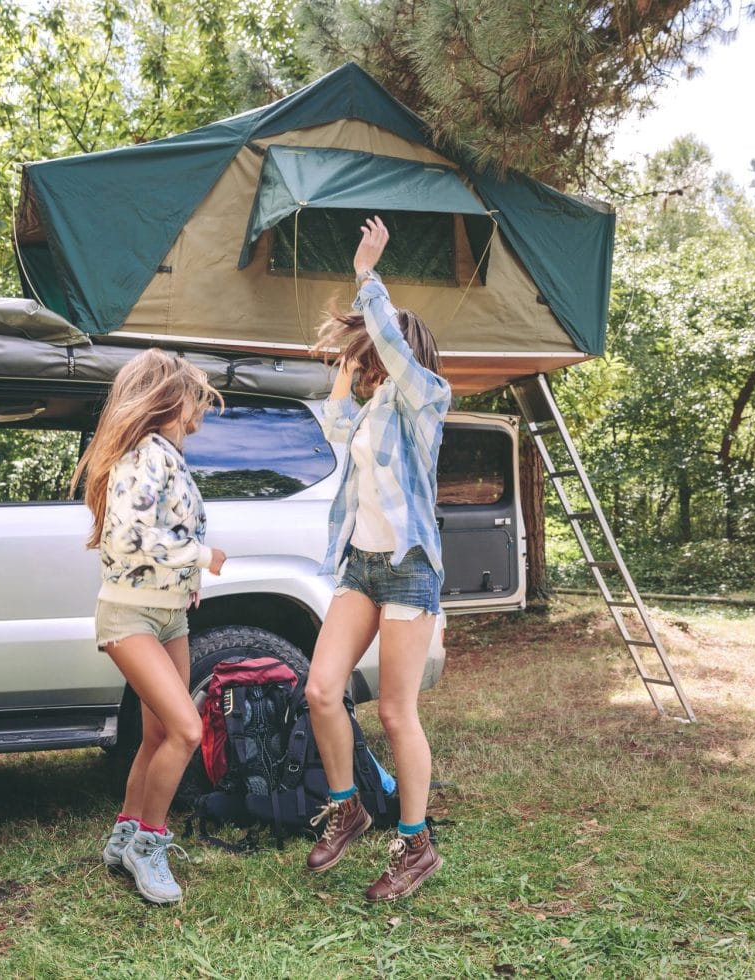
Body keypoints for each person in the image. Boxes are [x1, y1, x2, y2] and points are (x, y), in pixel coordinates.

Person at [304, 216, 451, 901]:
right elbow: (334, 425)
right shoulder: (373, 410)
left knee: (396, 713)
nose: (371, 363)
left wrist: (368, 276)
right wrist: (345, 364)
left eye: (375, 354)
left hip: (409, 568)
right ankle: (349, 807)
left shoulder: (426, 398)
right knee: (320, 689)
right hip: (361, 566)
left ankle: (416, 844)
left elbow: (391, 342)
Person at [70, 348, 227, 905]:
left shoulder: (165, 454)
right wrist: (200, 557)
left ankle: (124, 835)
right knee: (187, 730)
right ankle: (150, 844)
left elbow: (161, 528)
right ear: (168, 398)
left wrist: (186, 583)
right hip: (130, 613)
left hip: (169, 614)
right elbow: (126, 539)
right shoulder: (144, 455)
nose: (200, 408)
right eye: (194, 397)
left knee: (160, 732)